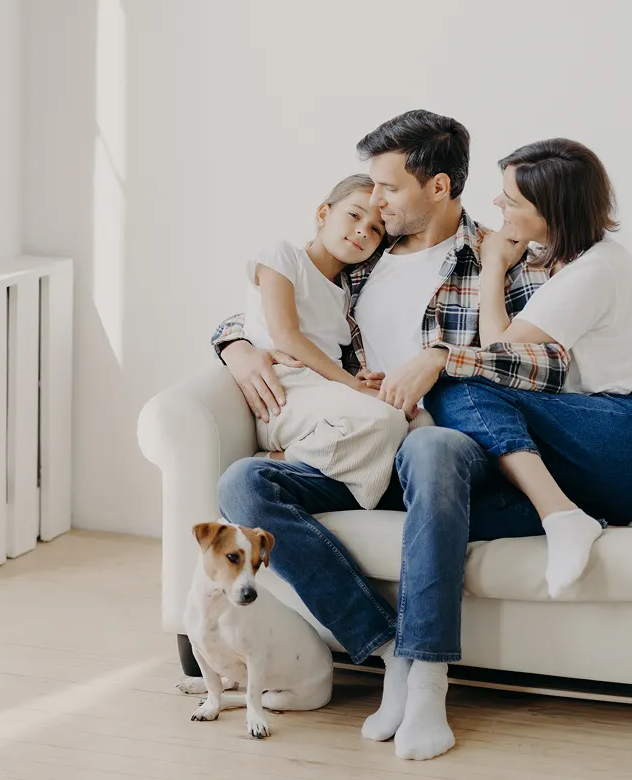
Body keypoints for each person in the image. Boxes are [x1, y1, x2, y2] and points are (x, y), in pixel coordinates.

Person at [212, 110, 570, 761]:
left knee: (428, 446)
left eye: (388, 187)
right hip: (358, 449)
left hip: (447, 450)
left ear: (438, 187)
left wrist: (441, 358)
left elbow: (546, 365)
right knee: (244, 484)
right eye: (370, 188)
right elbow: (276, 304)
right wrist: (234, 345)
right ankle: (386, 651)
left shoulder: (503, 256)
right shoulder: (363, 254)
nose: (374, 202)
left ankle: (428, 680)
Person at [424, 138, 632, 598]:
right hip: (605, 462)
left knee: (456, 383)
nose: (497, 203)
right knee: (442, 507)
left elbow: (497, 349)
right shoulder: (561, 263)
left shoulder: (595, 269)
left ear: (552, 214)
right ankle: (591, 515)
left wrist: (492, 265)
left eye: (512, 200)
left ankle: (560, 516)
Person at [241, 173, 418, 510]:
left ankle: (333, 478)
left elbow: (331, 352)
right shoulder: (283, 255)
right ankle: (278, 460)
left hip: (325, 391)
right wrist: (354, 387)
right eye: (354, 215)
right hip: (283, 390)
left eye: (376, 229)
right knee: (385, 420)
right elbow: (286, 337)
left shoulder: (347, 293)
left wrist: (359, 379)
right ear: (324, 214)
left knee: (418, 420)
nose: (363, 230)